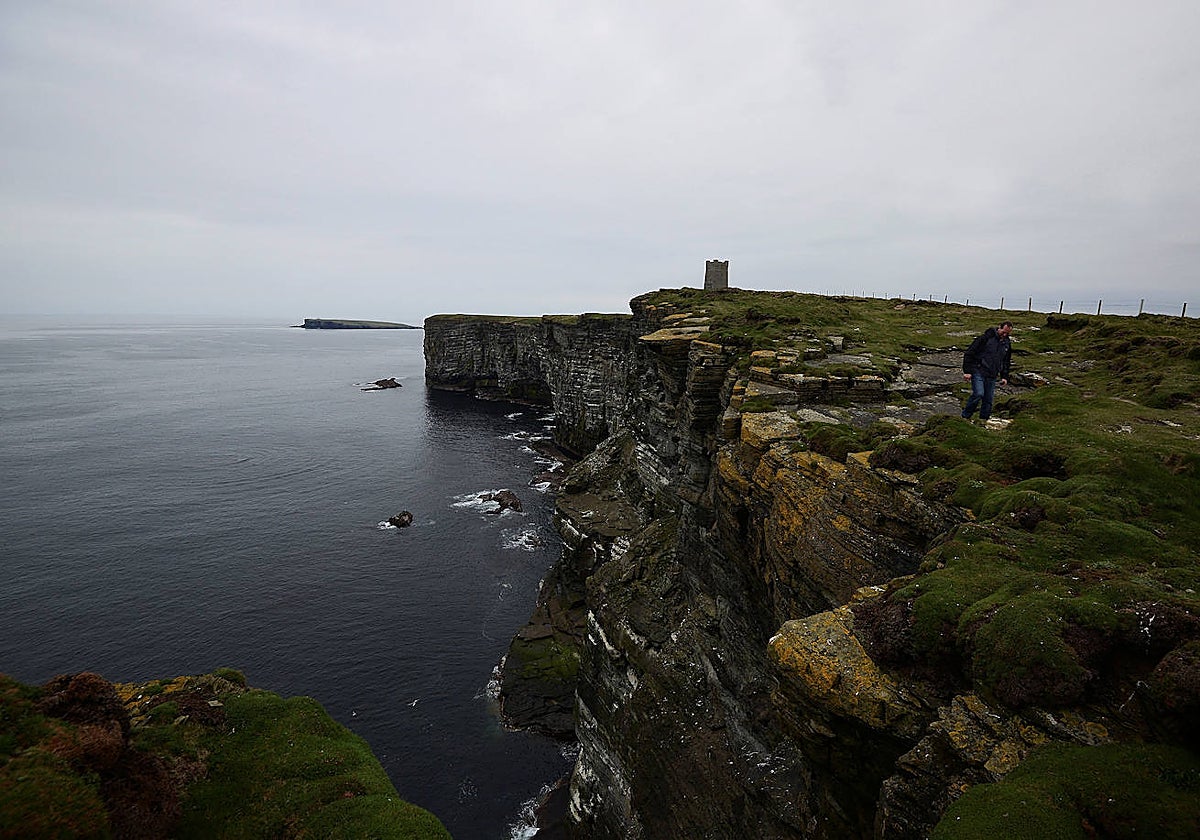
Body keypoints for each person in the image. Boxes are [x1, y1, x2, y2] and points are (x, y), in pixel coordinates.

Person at [961, 321, 1013, 421]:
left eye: (1007, 333)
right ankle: (965, 417)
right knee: (978, 393)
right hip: (978, 370)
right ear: (999, 328)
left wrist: (1004, 376)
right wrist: (967, 371)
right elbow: (969, 353)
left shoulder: (1007, 343)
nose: (1005, 335)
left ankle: (983, 421)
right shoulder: (985, 338)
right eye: (1003, 332)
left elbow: (1006, 361)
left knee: (988, 400)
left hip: (992, 374)